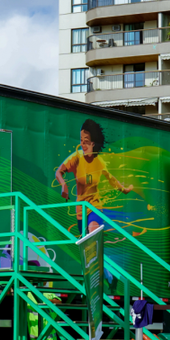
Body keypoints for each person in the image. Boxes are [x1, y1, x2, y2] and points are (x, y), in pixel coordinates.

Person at [55, 119, 134, 293]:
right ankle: (109, 277)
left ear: (93, 144)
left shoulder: (99, 162)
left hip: (96, 208)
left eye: (86, 142)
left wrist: (124, 189)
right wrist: (64, 185)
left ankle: (104, 277)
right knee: (89, 251)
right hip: (80, 211)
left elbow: (111, 179)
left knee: (92, 232)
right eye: (81, 141)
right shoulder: (76, 159)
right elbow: (58, 171)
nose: (82, 145)